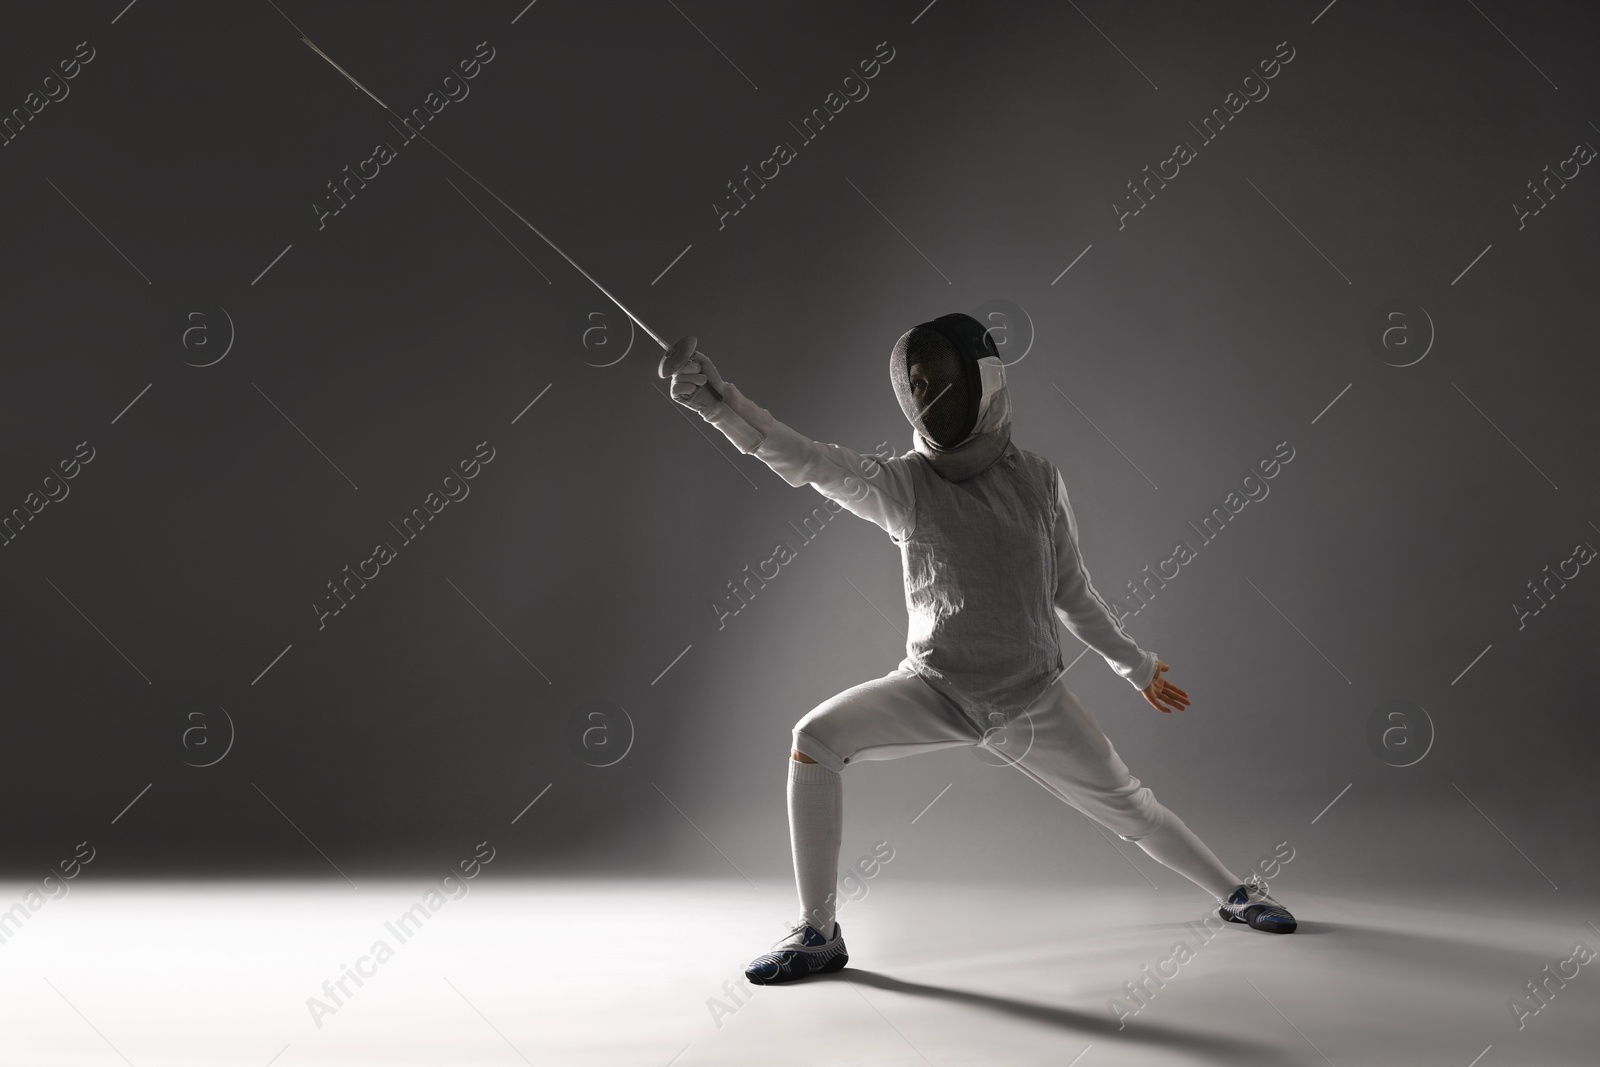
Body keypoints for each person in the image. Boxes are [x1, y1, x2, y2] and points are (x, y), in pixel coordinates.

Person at [669, 313, 1296, 985]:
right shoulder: (905, 484)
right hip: (933, 690)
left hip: (1030, 698)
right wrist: (720, 406)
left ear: (983, 381)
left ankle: (1237, 892)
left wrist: (1135, 665)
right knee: (815, 737)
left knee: (1132, 808)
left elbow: (1070, 592)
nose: (930, 394)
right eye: (917, 383)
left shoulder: (1039, 480)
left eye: (940, 377)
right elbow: (811, 462)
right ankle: (818, 931)